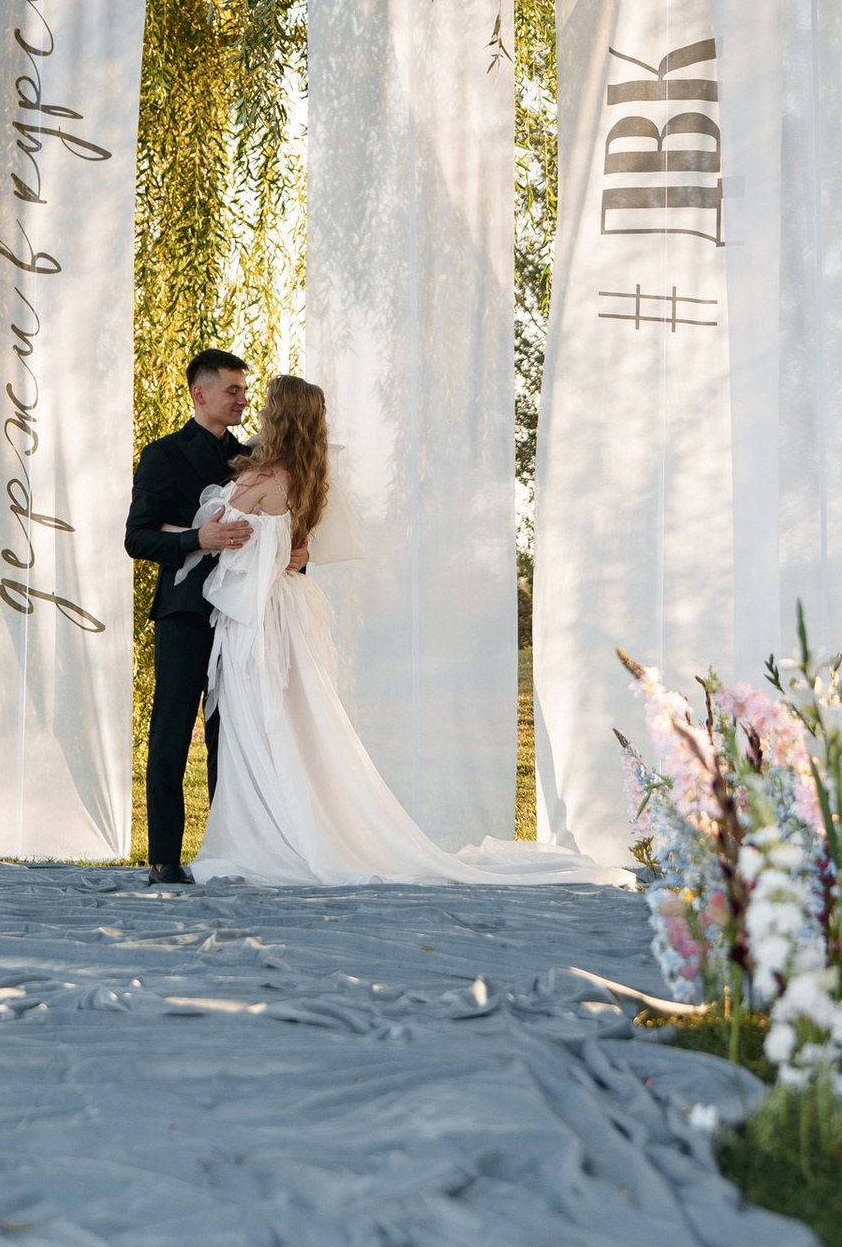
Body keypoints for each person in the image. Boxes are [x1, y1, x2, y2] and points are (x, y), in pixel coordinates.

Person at [194, 372, 598, 885]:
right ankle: (292, 826)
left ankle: (271, 837)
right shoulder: (309, 477)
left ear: (277, 417)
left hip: (261, 618)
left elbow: (210, 527)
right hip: (289, 609)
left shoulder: (260, 479)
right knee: (295, 724)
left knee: (262, 726)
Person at [124, 347, 251, 878]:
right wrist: (198, 538)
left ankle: (224, 856)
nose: (243, 398)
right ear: (200, 394)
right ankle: (163, 861)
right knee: (172, 732)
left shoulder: (251, 460)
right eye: (233, 390)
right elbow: (137, 537)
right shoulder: (163, 455)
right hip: (183, 612)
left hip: (240, 615)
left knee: (231, 736)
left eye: (245, 390)